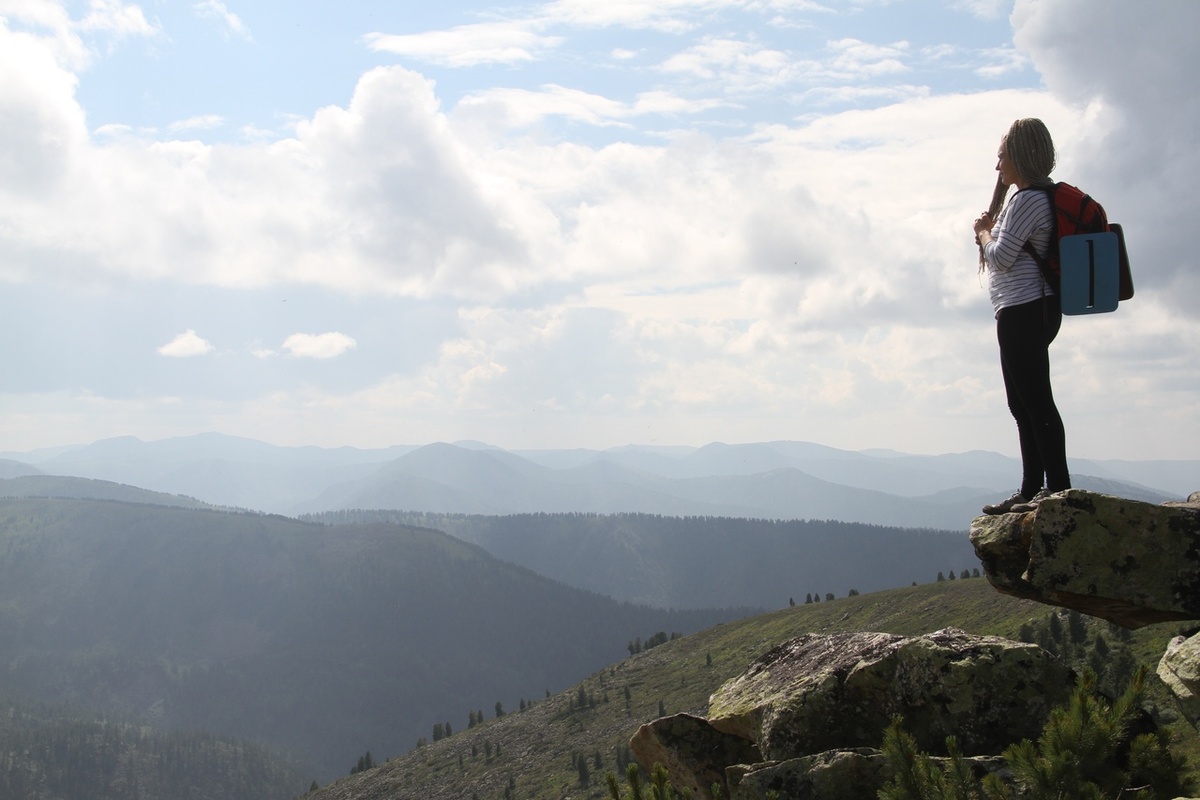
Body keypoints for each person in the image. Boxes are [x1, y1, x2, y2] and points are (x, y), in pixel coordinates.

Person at [972, 118, 1071, 515]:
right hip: (1030, 309)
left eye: (1001, 157)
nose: (998, 168)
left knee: (1034, 400)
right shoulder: (1036, 198)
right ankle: (1033, 489)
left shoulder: (1027, 199)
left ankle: (1055, 488)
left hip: (1025, 309)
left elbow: (1000, 257)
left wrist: (983, 232)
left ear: (1020, 156)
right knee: (1024, 402)